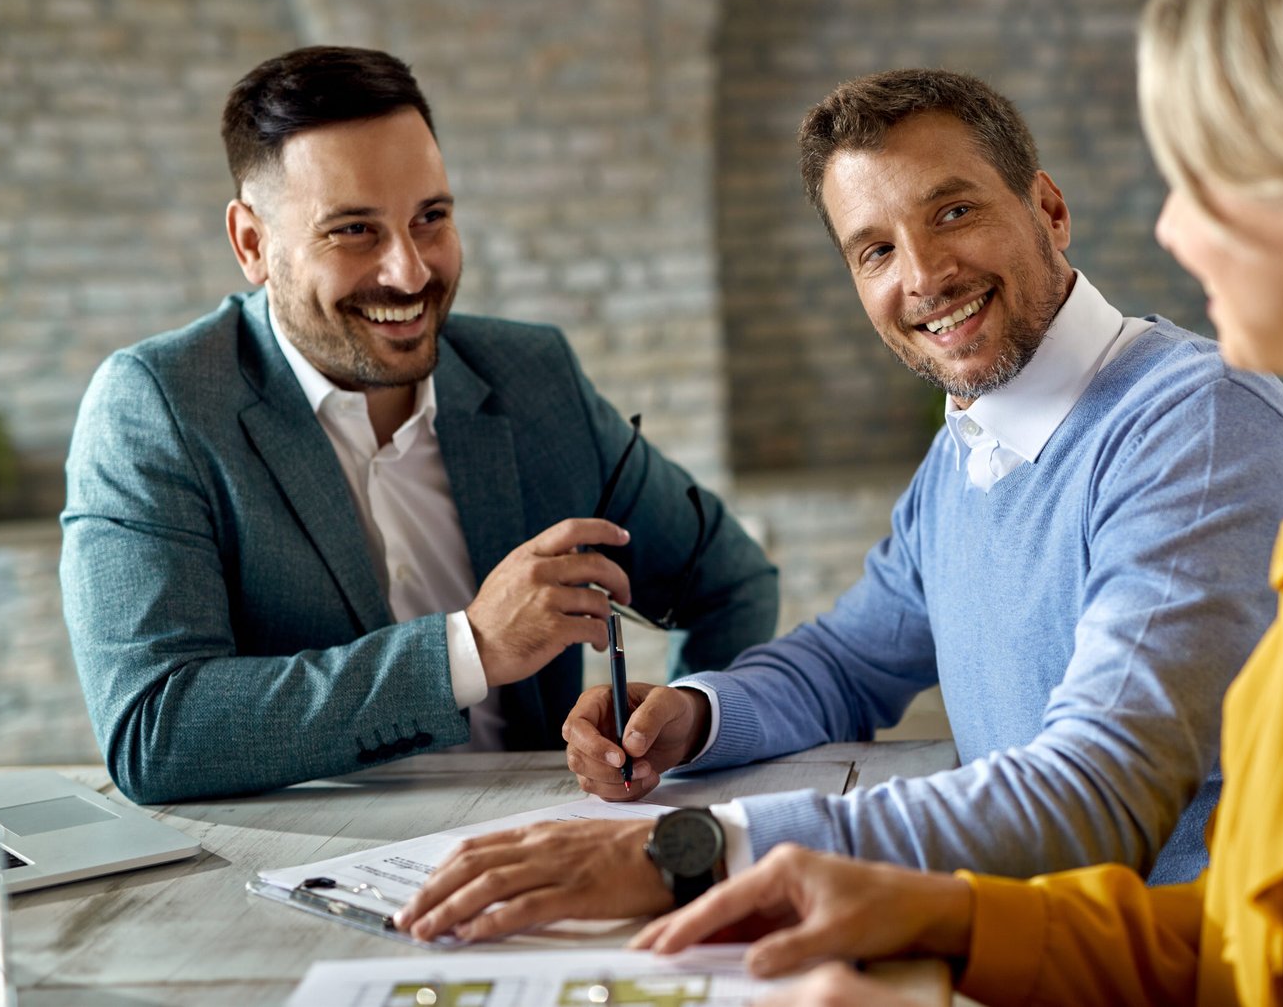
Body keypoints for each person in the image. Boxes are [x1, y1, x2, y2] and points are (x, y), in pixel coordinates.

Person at [630, 0, 1283, 1003]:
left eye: (1192, 178)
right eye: (874, 249)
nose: (1166, 226)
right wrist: (954, 918)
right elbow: (1264, 938)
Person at [390, 68, 1283, 943]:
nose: (923, 277)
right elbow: (847, 663)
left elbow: (1093, 793)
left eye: (953, 211)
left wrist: (696, 852)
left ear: (1048, 208)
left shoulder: (1195, 427)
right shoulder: (973, 440)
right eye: (876, 249)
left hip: (1207, 965)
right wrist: (691, 713)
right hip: (1041, 949)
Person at [59, 46, 778, 805]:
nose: (409, 272)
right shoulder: (155, 407)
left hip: (548, 852)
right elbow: (155, 729)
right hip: (288, 877)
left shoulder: (535, 379)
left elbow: (728, 581)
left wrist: (686, 732)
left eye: (430, 218)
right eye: (354, 231)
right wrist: (468, 650)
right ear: (252, 243)